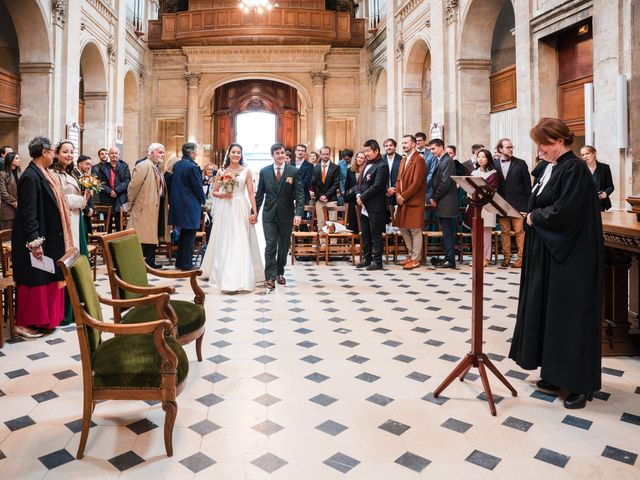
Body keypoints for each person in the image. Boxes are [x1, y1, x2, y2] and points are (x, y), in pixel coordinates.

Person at [509, 117, 603, 410]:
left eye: (543, 143)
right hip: (549, 254)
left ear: (561, 141)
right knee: (551, 314)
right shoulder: (552, 167)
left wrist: (535, 217)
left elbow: (566, 211)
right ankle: (554, 372)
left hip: (570, 258)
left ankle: (579, 383)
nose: (539, 149)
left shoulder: (573, 168)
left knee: (570, 316)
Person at [11, 136, 72, 338]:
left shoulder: (43, 173)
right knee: (34, 281)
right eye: (53, 151)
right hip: (36, 240)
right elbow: (28, 213)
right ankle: (24, 324)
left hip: (48, 237)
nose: (54, 155)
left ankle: (45, 321)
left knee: (47, 278)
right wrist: (35, 243)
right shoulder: (30, 176)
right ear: (44, 152)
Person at [200, 144, 264, 292]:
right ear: (229, 154)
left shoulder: (246, 171)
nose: (236, 155)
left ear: (241, 155)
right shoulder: (221, 171)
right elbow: (214, 192)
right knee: (225, 238)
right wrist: (224, 195)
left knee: (240, 238)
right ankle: (224, 272)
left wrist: (254, 212)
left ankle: (242, 275)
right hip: (226, 208)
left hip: (240, 206)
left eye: (238, 152)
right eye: (233, 152)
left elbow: (250, 193)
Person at [255, 143, 304, 289]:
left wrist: (299, 214)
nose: (280, 155)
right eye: (277, 153)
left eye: (282, 152)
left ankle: (279, 272)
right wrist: (254, 212)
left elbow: (300, 194)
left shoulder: (293, 172)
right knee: (270, 245)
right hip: (269, 215)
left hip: (286, 214)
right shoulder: (264, 172)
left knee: (283, 245)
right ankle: (270, 276)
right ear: (273, 155)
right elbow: (259, 195)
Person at [127, 143, 168, 269]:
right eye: (160, 152)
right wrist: (131, 204)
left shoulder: (157, 167)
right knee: (142, 236)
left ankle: (150, 262)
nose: (163, 154)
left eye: (163, 152)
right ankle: (137, 264)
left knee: (152, 235)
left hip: (156, 205)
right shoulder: (143, 166)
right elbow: (133, 187)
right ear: (151, 153)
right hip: (144, 206)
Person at [169, 143, 206, 271]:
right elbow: (197, 186)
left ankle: (179, 262)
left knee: (184, 235)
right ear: (190, 153)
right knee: (190, 235)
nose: (196, 155)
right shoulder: (192, 167)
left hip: (179, 204)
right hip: (190, 204)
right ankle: (187, 264)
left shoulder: (178, 165)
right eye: (196, 152)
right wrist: (204, 200)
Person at [494, 138, 531, 268]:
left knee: (519, 232)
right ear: (500, 149)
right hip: (502, 204)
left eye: (511, 147)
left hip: (519, 204)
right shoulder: (494, 164)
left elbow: (528, 186)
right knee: (504, 232)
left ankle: (521, 259)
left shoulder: (521, 163)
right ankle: (506, 258)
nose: (510, 149)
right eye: (507, 147)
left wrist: (528, 206)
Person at [356, 139, 389, 271]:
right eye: (365, 151)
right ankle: (367, 259)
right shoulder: (366, 164)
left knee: (375, 234)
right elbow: (360, 183)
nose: (366, 153)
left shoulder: (382, 165)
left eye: (368, 151)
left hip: (375, 205)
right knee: (365, 234)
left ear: (376, 151)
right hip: (364, 205)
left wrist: (362, 197)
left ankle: (377, 261)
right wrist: (358, 195)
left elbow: (378, 186)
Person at [395, 135, 427, 270]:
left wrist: (404, 196)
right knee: (402, 227)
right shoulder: (403, 160)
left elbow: (416, 183)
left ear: (413, 144)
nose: (403, 145)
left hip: (414, 200)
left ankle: (415, 258)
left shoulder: (419, 160)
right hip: (402, 200)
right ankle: (410, 254)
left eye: (406, 143)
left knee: (415, 229)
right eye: (402, 143)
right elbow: (398, 179)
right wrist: (397, 194)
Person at [465, 149, 499, 267]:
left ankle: (485, 258)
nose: (480, 159)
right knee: (475, 233)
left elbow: (491, 190)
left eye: (483, 157)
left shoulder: (493, 174)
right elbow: (468, 188)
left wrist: (479, 193)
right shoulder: (474, 173)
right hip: (475, 205)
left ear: (488, 159)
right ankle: (476, 257)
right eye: (479, 157)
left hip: (487, 206)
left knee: (486, 234)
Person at [429, 138, 458, 269]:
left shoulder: (448, 160)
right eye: (430, 149)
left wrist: (435, 197)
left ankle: (450, 260)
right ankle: (448, 257)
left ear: (441, 147)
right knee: (445, 232)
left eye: (433, 149)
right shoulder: (442, 160)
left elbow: (445, 182)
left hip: (446, 202)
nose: (432, 151)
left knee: (447, 232)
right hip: (443, 201)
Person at [97, 146, 131, 231]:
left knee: (119, 224)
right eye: (112, 153)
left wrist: (116, 191)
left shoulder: (124, 165)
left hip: (120, 198)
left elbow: (127, 180)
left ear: (119, 155)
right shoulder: (103, 167)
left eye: (116, 153)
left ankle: (119, 242)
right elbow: (99, 182)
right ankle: (107, 243)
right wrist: (110, 192)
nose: (114, 155)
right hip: (107, 198)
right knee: (107, 225)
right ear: (109, 155)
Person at [311, 146, 340, 235]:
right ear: (320, 154)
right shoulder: (315, 168)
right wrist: (320, 196)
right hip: (319, 200)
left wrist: (326, 195)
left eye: (327, 154)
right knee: (321, 223)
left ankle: (333, 244)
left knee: (332, 223)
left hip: (331, 199)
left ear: (329, 154)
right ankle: (323, 244)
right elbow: (314, 184)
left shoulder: (335, 167)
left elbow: (336, 184)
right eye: (323, 154)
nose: (325, 156)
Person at [580, 145, 614, 211]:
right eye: (583, 155)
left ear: (594, 153)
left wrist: (605, 193)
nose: (585, 156)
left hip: (600, 204)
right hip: (583, 204)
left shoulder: (604, 168)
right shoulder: (580, 169)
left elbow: (610, 186)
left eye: (587, 153)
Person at [344, 151, 364, 233]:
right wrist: (345, 201)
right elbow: (347, 186)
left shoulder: (368, 169)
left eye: (362, 158)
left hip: (364, 199)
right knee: (353, 222)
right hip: (352, 200)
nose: (359, 159)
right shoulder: (350, 170)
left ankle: (363, 241)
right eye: (358, 157)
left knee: (363, 222)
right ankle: (354, 241)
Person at [0, 152, 20, 230]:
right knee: (7, 238)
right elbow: (3, 192)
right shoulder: (2, 174)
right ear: (10, 160)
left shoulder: (21, 173)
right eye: (17, 158)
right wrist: (14, 202)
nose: (19, 160)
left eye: (19, 158)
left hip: (20, 210)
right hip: (7, 210)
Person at [76, 155, 94, 237]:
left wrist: (91, 209)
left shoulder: (86, 178)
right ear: (80, 164)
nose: (89, 167)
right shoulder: (75, 175)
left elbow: (89, 195)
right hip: (79, 212)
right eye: (87, 164)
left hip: (86, 212)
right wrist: (87, 210)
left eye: (90, 165)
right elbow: (78, 195)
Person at [383, 138, 402, 208]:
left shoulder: (401, 159)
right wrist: (387, 189)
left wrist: (394, 188)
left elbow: (401, 176)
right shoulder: (381, 159)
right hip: (384, 193)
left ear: (395, 147)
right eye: (386, 146)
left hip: (397, 193)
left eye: (391, 145)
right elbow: (379, 177)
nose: (388, 147)